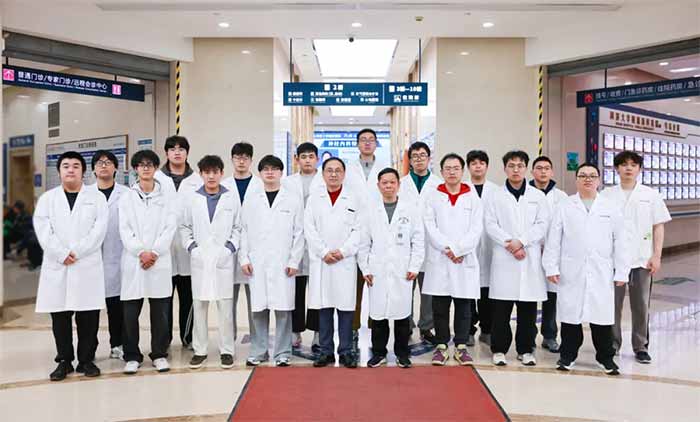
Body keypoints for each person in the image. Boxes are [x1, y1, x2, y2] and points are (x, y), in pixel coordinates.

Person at [543, 163, 630, 375]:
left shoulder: (610, 207)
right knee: (570, 316)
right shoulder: (564, 206)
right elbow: (553, 239)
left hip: (601, 270)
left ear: (599, 180)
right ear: (576, 180)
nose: (587, 179)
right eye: (583, 175)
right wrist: (551, 267)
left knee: (602, 318)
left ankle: (605, 358)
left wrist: (622, 271)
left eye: (592, 176)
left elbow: (621, 241)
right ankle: (568, 356)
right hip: (571, 270)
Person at [34, 151, 108, 381]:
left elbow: (99, 230)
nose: (71, 169)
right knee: (60, 317)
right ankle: (64, 361)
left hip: (86, 263)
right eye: (66, 166)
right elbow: (43, 230)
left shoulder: (97, 198)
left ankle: (86, 360)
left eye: (76, 165)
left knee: (88, 316)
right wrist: (61, 253)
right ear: (59, 171)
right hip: (58, 265)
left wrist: (77, 252)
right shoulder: (48, 199)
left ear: (83, 171)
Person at [601, 151, 671, 364]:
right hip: (613, 261)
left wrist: (657, 255)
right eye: (624, 165)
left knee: (641, 305)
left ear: (639, 169)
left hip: (642, 259)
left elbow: (658, 226)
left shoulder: (650, 195)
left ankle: (641, 346)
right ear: (616, 169)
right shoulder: (606, 195)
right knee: (612, 305)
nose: (628, 168)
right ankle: (612, 344)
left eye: (633, 165)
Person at [485, 150, 550, 367]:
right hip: (504, 257)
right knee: (501, 310)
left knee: (528, 311)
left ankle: (526, 349)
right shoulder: (495, 196)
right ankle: (499, 349)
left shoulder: (537, 197)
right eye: (511, 166)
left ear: (526, 169)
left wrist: (521, 241)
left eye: (520, 165)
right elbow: (490, 224)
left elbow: (542, 225)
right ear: (504, 168)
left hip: (528, 257)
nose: (516, 170)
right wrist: (510, 244)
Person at [240, 155, 305, 367]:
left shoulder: (292, 199)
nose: (270, 172)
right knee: (259, 310)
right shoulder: (252, 199)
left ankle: (283, 352)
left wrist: (294, 261)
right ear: (260, 173)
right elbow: (243, 230)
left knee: (283, 310)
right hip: (257, 262)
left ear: (281, 172)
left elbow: (299, 232)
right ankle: (259, 351)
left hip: (283, 262)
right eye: (266, 169)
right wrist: (244, 258)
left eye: (274, 169)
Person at [119, 150, 177, 374]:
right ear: (136, 169)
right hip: (134, 260)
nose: (145, 168)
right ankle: (132, 355)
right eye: (141, 165)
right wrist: (140, 252)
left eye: (150, 164)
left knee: (160, 312)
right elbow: (124, 229)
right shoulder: (127, 197)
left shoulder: (166, 197)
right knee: (130, 313)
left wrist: (154, 252)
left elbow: (170, 227)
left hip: (158, 260)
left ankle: (159, 354)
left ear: (155, 168)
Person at [359, 168, 424, 368]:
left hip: (402, 269)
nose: (388, 186)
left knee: (402, 314)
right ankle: (379, 352)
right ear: (378, 186)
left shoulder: (410, 210)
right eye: (384, 183)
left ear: (398, 185)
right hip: (377, 269)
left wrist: (414, 266)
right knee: (378, 314)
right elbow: (363, 243)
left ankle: (402, 353)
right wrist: (365, 269)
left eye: (392, 182)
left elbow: (418, 240)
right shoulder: (370, 210)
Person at [423, 154, 483, 366]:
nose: (451, 172)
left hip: (464, 259)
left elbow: (476, 228)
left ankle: (461, 346)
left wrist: (459, 250)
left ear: (462, 171)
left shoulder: (472, 197)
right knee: (440, 306)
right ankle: (441, 346)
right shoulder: (433, 196)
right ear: (441, 172)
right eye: (447, 168)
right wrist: (448, 249)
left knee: (463, 306)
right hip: (441, 258)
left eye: (456, 168)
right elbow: (430, 226)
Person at [180, 155, 240, 370]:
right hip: (200, 260)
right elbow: (184, 227)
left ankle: (227, 351)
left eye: (215, 172)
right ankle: (200, 350)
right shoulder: (192, 198)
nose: (211, 176)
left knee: (225, 309)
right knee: (199, 307)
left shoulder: (231, 197)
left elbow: (238, 227)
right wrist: (192, 248)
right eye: (207, 172)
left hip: (223, 260)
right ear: (201, 174)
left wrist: (229, 248)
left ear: (221, 173)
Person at [305, 157, 363, 368]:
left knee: (346, 308)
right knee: (324, 307)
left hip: (344, 261)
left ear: (344, 174)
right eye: (329, 170)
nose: (333, 174)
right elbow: (309, 228)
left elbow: (359, 230)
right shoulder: (314, 199)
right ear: (323, 174)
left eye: (338, 170)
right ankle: (326, 351)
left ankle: (346, 351)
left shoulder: (354, 198)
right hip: (322, 261)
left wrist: (343, 251)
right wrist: (323, 252)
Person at [155, 135, 203, 350]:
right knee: (163, 300)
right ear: (166, 153)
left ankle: (188, 338)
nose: (177, 152)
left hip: (188, 250)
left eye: (181, 149)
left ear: (187, 153)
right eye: (172, 149)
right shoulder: (156, 179)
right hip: (162, 250)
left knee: (188, 299)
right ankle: (163, 341)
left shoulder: (197, 180)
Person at [281, 142, 325, 350]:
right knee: (295, 289)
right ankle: (295, 331)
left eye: (311, 156)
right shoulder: (287, 182)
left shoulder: (324, 179)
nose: (307, 160)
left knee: (318, 290)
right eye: (303, 156)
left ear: (317, 159)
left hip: (318, 241)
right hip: (295, 241)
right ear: (297, 159)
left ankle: (318, 333)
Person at [398, 141, 441, 345]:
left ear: (429, 158)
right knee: (406, 288)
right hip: (406, 244)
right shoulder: (402, 183)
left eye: (422, 155)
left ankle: (426, 327)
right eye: (415, 156)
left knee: (428, 291)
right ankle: (406, 325)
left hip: (431, 244)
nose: (419, 159)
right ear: (410, 160)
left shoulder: (438, 184)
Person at [344, 128, 383, 352]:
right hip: (354, 229)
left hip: (379, 231)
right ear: (357, 144)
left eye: (371, 140)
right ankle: (354, 329)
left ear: (376, 144)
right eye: (363, 140)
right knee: (354, 287)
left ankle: (375, 328)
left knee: (377, 284)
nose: (367, 143)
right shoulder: (348, 169)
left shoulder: (385, 168)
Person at [89, 150, 129, 360]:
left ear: (116, 168)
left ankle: (118, 344)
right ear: (93, 169)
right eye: (99, 162)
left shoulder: (127, 194)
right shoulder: (85, 195)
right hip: (90, 260)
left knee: (117, 307)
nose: (103, 165)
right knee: (90, 309)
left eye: (108, 162)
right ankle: (89, 349)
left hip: (118, 257)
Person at [221, 142, 263, 342]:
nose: (241, 161)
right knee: (228, 300)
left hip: (254, 249)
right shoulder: (224, 186)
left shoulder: (260, 185)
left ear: (251, 160)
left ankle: (258, 340)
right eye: (238, 157)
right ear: (232, 159)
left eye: (245, 157)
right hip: (229, 249)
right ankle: (229, 340)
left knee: (256, 300)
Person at [529, 155, 569, 353]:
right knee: (528, 296)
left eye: (546, 168)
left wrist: (553, 248)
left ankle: (550, 336)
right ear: (532, 171)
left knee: (551, 297)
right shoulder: (525, 193)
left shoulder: (561, 197)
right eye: (539, 168)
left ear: (552, 172)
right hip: (529, 251)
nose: (543, 171)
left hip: (553, 253)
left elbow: (565, 227)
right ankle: (528, 337)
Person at [466, 150, 499, 347]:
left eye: (481, 163)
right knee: (468, 292)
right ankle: (468, 330)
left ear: (487, 166)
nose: (477, 166)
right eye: (473, 163)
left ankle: (487, 330)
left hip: (490, 246)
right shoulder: (462, 189)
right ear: (468, 167)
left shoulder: (496, 191)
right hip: (469, 247)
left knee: (487, 293)